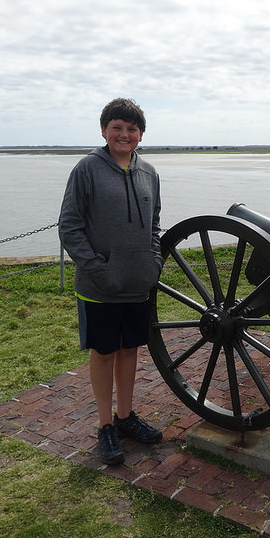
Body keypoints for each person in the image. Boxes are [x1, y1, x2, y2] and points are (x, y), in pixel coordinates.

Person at [58, 98, 163, 465]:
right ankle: (105, 424)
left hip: (137, 282)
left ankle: (126, 416)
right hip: (99, 285)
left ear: (140, 135)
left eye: (132, 129)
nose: (124, 134)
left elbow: (155, 225)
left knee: (130, 350)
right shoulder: (87, 169)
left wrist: (154, 262)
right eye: (117, 127)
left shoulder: (149, 172)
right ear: (104, 131)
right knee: (103, 352)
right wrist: (97, 268)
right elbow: (69, 226)